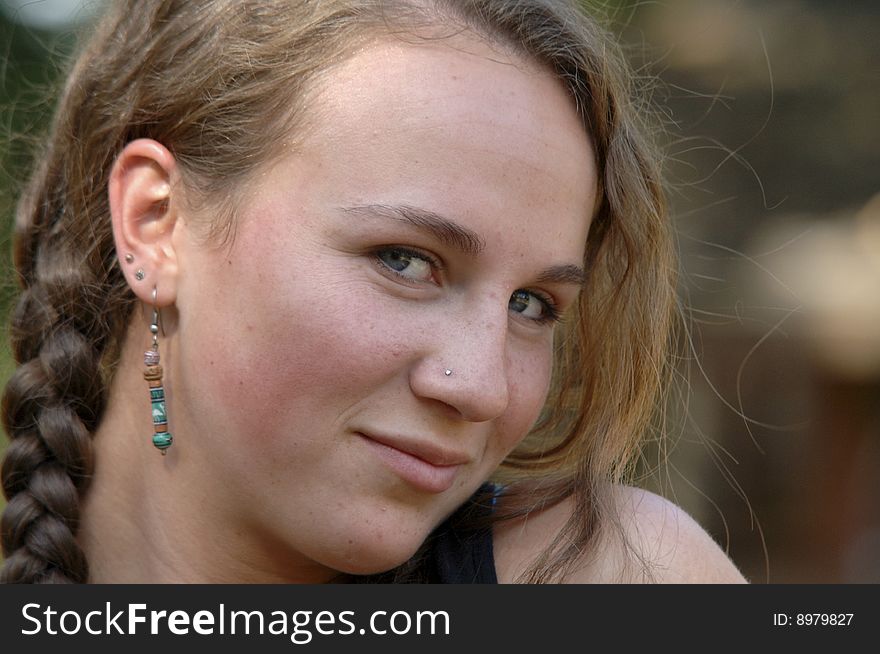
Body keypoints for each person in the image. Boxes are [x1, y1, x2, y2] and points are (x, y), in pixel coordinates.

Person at [0, 0, 746, 584]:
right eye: (405, 260)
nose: (482, 389)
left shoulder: (611, 582)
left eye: (532, 306)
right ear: (156, 223)